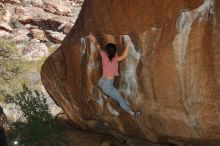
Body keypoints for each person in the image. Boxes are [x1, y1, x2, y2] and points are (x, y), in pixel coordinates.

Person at [88, 33, 141, 117]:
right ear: (114, 52)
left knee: (103, 86)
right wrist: (128, 43)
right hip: (107, 87)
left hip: (101, 81)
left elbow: (98, 46)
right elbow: (124, 55)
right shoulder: (115, 60)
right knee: (120, 100)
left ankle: (106, 94)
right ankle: (133, 113)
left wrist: (93, 38)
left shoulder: (104, 56)